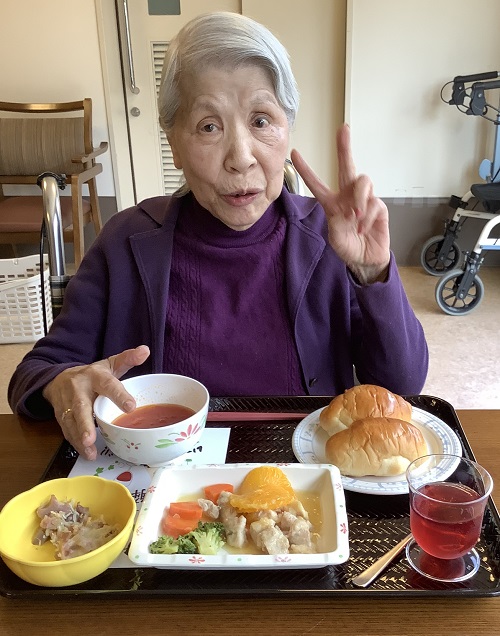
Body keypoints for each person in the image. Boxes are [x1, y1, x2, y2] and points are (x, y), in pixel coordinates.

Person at [8, 11, 428, 461]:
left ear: (287, 128)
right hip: (163, 483)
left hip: (302, 481)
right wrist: (62, 383)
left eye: (261, 120)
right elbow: (37, 371)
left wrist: (372, 272)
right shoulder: (125, 241)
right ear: (174, 143)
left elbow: (402, 385)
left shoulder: (327, 238)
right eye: (209, 126)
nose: (240, 157)